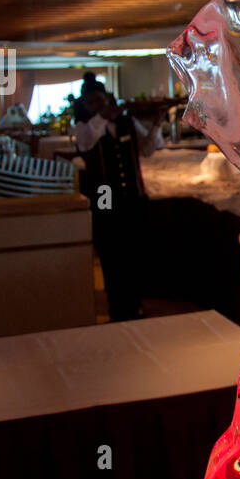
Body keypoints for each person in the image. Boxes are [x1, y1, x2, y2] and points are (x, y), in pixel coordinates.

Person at [74, 81, 164, 321]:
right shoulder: (85, 127)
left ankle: (136, 305)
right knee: (112, 257)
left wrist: (156, 123)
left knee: (135, 255)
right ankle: (117, 308)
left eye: (100, 99)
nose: (98, 105)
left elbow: (148, 149)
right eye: (91, 101)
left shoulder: (126, 122)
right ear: (85, 105)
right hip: (105, 204)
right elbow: (85, 143)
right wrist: (102, 117)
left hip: (132, 199)